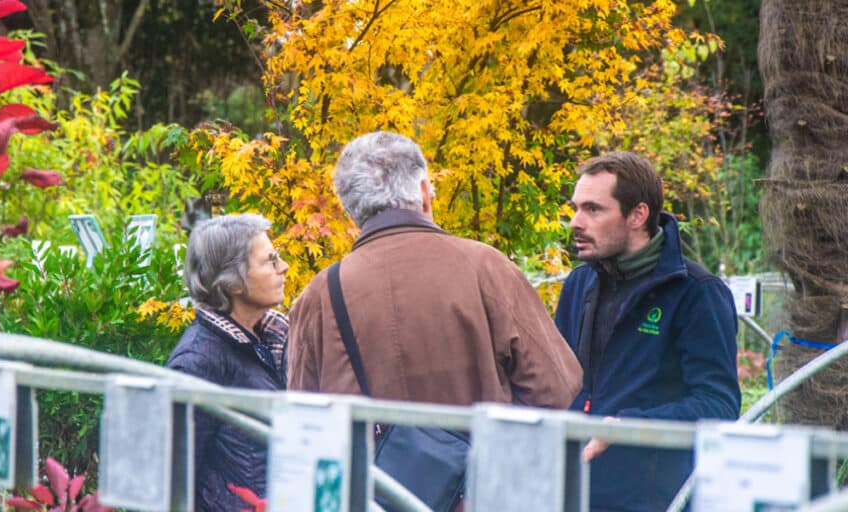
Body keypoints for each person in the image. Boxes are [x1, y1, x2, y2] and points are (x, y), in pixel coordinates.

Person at [288, 131, 581, 411]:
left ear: (351, 212)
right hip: (479, 460)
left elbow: (305, 419)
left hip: (366, 463)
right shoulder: (486, 268)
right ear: (425, 193)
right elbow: (557, 389)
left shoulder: (319, 295)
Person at [554, 151, 741, 511]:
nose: (575, 222)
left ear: (638, 214)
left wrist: (628, 427)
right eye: (575, 208)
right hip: (574, 492)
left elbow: (719, 405)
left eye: (593, 209)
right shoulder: (579, 283)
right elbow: (560, 383)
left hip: (654, 499)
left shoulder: (697, 292)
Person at [165, 213, 290, 511]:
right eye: (270, 260)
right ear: (233, 282)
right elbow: (170, 479)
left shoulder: (271, 340)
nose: (283, 267)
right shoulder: (198, 362)